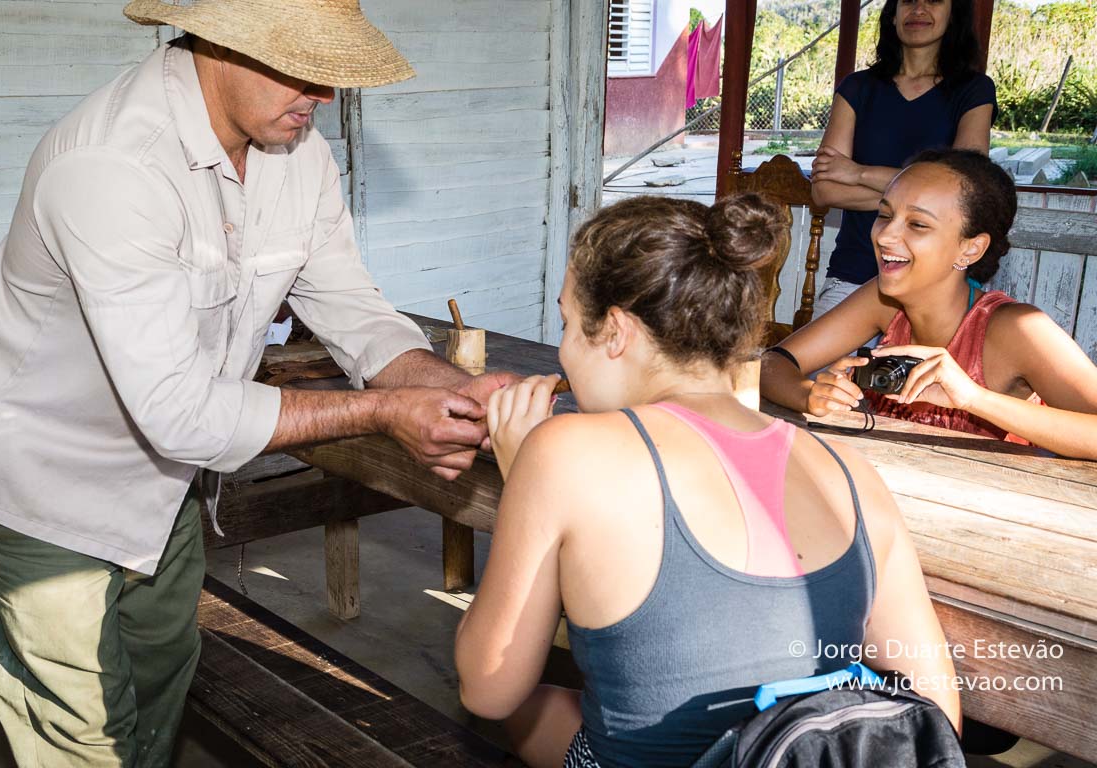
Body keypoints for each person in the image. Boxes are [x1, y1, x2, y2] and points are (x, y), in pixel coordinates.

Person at [0, 1, 515, 764]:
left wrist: (446, 389)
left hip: (164, 485)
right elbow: (179, 410)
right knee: (80, 739)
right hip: (41, 485)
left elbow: (349, 306)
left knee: (157, 689)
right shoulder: (114, 164)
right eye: (303, 67)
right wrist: (383, 412)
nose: (323, 95)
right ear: (222, 40)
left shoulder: (297, 153)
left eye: (334, 73)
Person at [454, 194, 961, 768]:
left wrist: (522, 482)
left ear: (616, 331)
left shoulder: (562, 452)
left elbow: (488, 687)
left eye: (570, 324)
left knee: (515, 709)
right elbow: (935, 712)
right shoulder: (850, 471)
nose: (566, 353)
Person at [762, 149, 1097, 459]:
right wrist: (809, 395)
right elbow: (771, 364)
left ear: (971, 249)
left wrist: (972, 398)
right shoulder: (883, 300)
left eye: (918, 224)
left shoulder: (1017, 328)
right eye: (884, 215)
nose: (884, 236)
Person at [811, 0, 996, 316]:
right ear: (893, 15)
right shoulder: (857, 87)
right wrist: (924, 206)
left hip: (938, 285)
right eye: (908, 0)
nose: (919, 8)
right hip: (853, 276)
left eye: (934, 0)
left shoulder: (974, 90)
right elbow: (824, 191)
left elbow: (965, 187)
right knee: (815, 366)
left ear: (953, 15)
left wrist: (858, 174)